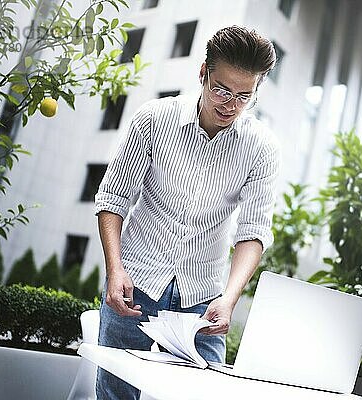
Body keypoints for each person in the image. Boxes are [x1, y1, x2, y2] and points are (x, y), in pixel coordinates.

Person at [93, 26, 279, 399]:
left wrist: (229, 298)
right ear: (203, 73)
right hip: (135, 283)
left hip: (204, 299)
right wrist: (115, 270)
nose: (230, 104)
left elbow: (253, 231)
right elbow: (113, 199)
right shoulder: (154, 120)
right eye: (222, 90)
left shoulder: (261, 147)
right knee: (116, 395)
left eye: (245, 96)